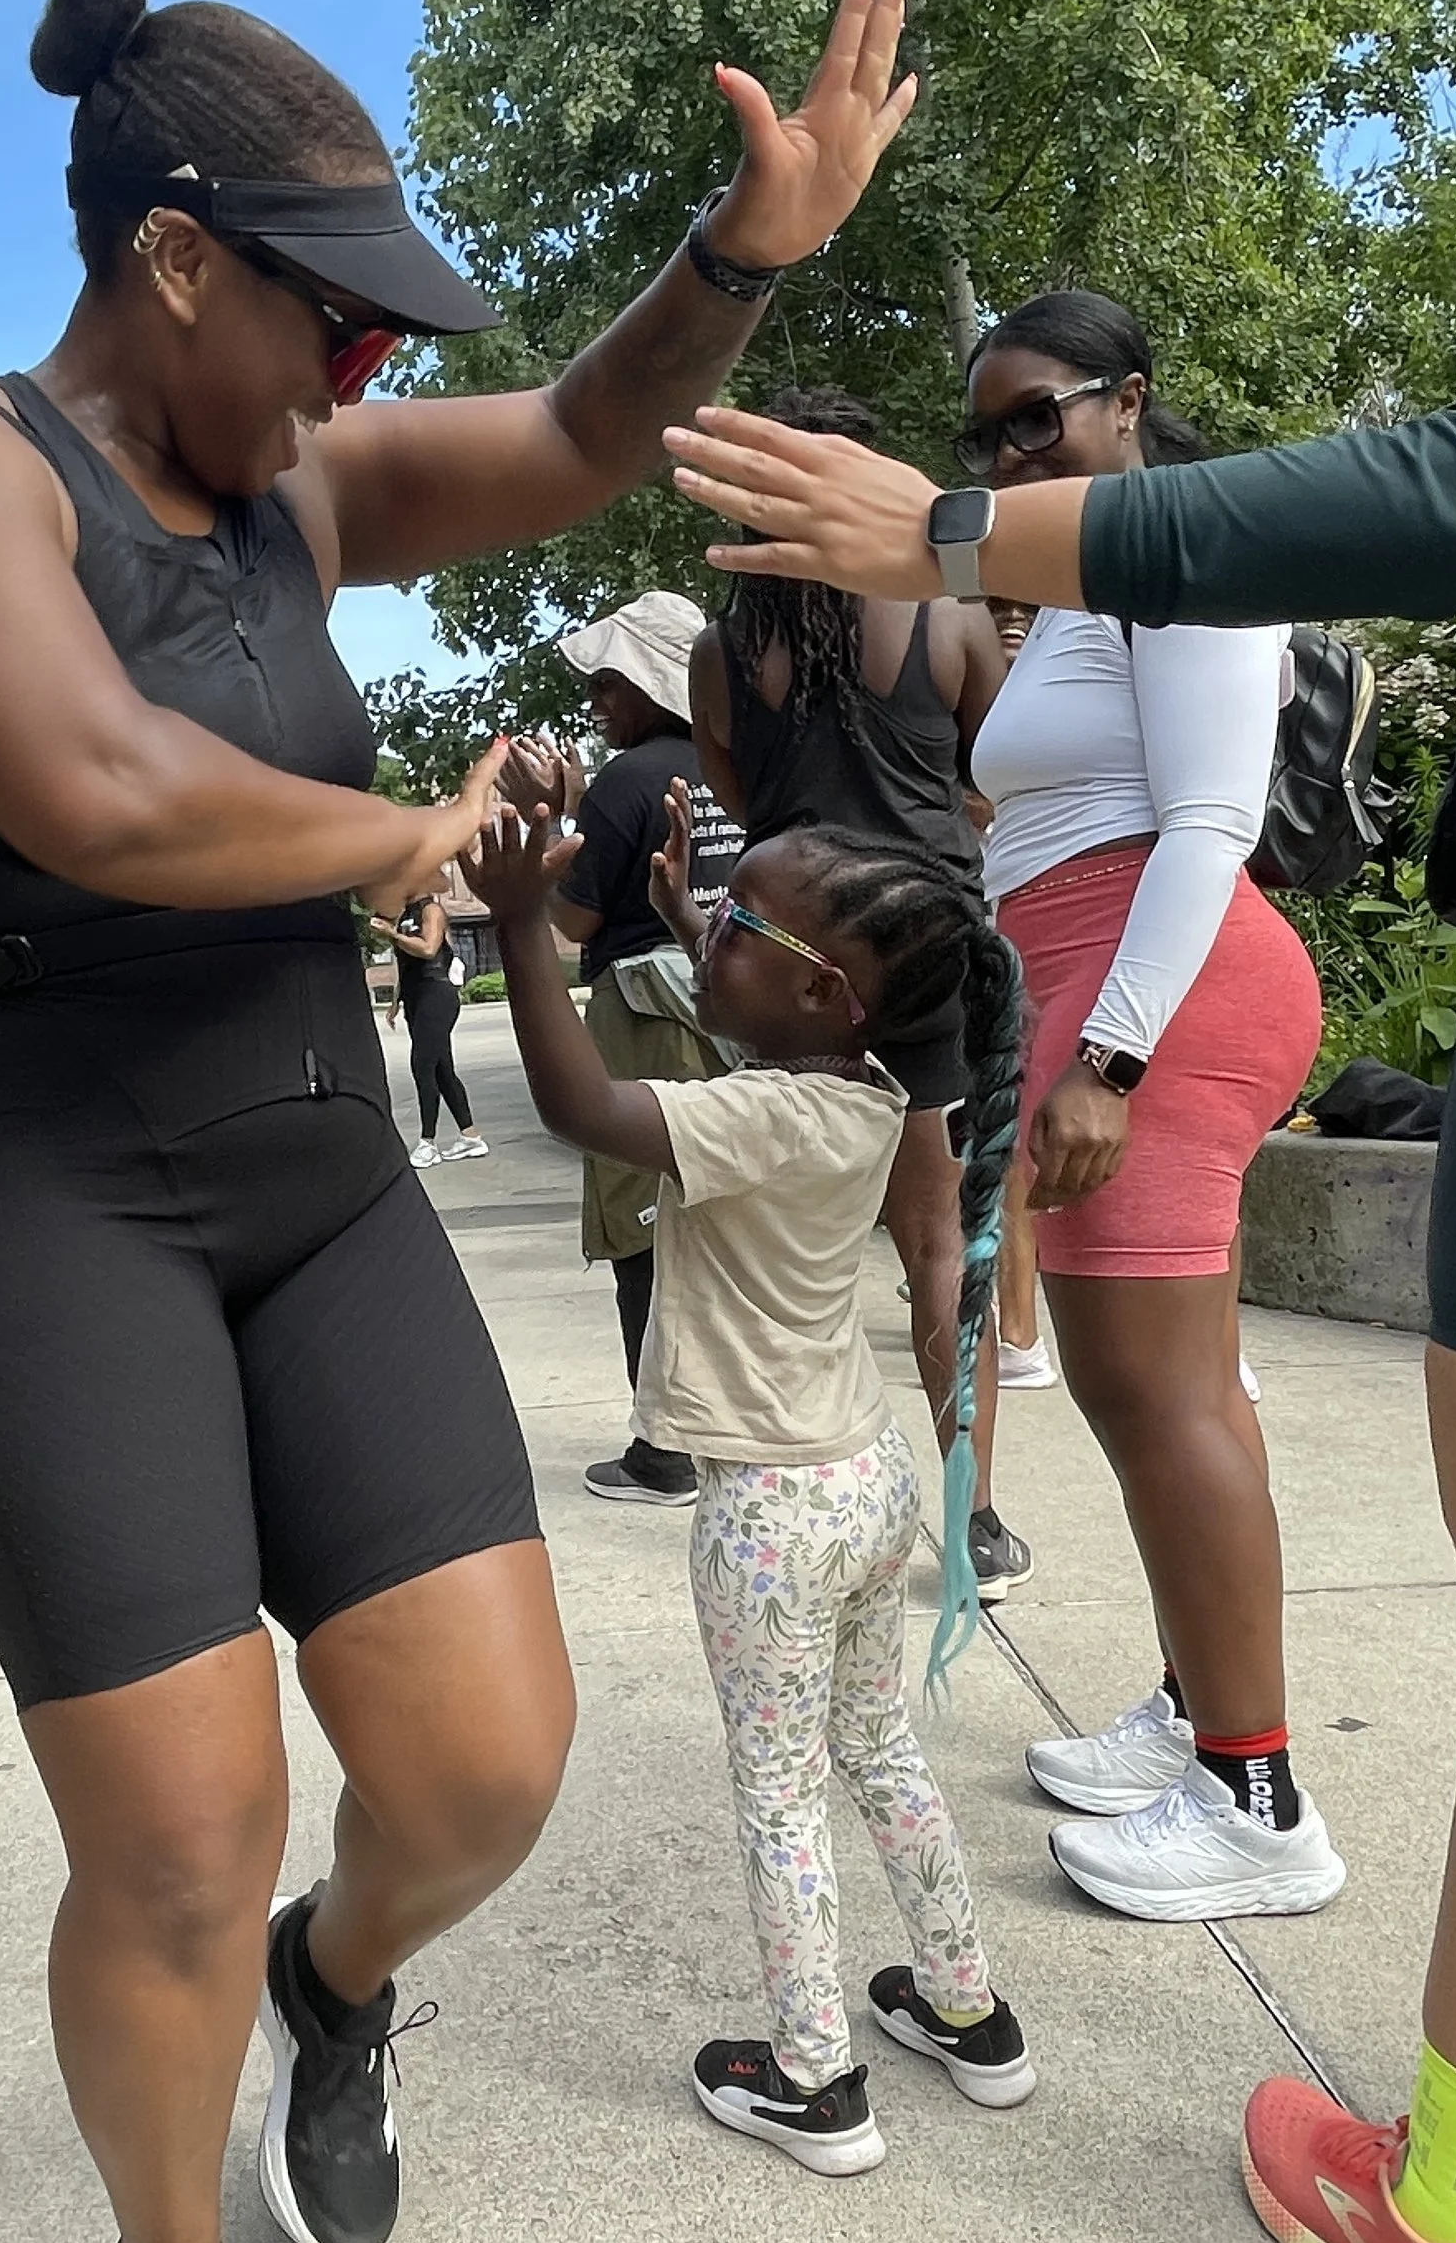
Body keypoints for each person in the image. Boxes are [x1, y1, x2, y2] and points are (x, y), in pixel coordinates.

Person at [0, 0, 921, 2243]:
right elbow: (88, 781)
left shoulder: (300, 476)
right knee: (172, 1839)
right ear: (173, 253)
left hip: (308, 1168)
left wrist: (744, 252)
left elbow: (564, 431)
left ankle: (339, 1978)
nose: (354, 381)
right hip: (43, 1186)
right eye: (328, 319)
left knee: (475, 1770)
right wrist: (407, 835)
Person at [665, 0, 1456, 2243]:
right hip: (1122, 981)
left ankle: (1414, 2105)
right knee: (1187, 1416)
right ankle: (1252, 1774)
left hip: (1447, 977)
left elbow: (1310, 698)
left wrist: (972, 533)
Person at [690, 295, 1335, 1925]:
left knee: (1157, 1393)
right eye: (984, 433)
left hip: (1159, 1001)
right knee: (1155, 1394)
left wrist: (1111, 1059)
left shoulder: (1188, 552)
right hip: (1092, 990)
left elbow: (1205, 823)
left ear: (1131, 401)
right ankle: (1204, 1716)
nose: (1006, 454)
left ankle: (1258, 1798)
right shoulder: (1073, 587)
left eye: (1035, 418)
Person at [471, 800, 1033, 2168]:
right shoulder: (869, 1084)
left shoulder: (755, 1115)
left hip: (768, 1516)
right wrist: (688, 926)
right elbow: (765, 1024)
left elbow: (579, 1105)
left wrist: (517, 929)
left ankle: (814, 2076)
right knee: (879, 1748)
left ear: (821, 990)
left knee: (780, 1793)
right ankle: (967, 2008)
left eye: (734, 927)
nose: (709, 937)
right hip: (862, 1474)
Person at [690, 386, 1035, 1601]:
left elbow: (747, 812)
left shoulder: (716, 653)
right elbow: (1000, 769)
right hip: (930, 958)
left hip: (792, 978)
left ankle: (795, 1479)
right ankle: (971, 1515)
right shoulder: (946, 615)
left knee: (794, 1243)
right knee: (941, 1246)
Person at [511, 589, 742, 1504]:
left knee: (639, 1219)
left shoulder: (625, 781)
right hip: (740, 1011)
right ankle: (734, 1426)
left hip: (646, 1017)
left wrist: (558, 819)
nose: (598, 701)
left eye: (610, 683)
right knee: (727, 1220)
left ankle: (664, 1450)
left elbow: (570, 919)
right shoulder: (740, 766)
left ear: (654, 684)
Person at [979, 601, 1056, 1391]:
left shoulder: (1028, 706)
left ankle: (1022, 1334)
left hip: (1032, 937)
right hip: (1027, 929)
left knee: (1006, 1151)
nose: (1006, 621)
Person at [379, 890, 486, 1167]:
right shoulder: (406, 914)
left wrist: (393, 934)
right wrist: (396, 1001)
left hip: (436, 992)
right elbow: (406, 965)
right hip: (415, 996)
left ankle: (428, 1142)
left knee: (422, 1064)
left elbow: (428, 949)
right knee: (442, 1069)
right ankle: (471, 1137)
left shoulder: (431, 911)